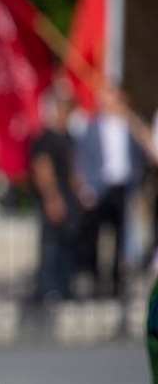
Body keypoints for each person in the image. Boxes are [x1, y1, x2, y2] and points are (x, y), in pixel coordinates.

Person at [74, 84, 148, 298]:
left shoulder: (129, 125)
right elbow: (83, 157)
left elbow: (144, 147)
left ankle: (117, 281)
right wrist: (85, 185)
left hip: (123, 185)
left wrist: (130, 117)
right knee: (97, 234)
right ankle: (97, 279)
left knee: (121, 234)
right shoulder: (92, 126)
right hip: (100, 186)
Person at [28, 90, 81, 302]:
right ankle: (46, 288)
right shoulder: (46, 139)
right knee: (50, 246)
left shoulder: (69, 137)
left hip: (69, 198)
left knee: (68, 244)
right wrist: (52, 198)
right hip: (55, 197)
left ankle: (65, 286)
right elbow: (43, 169)